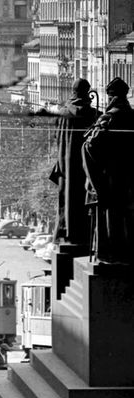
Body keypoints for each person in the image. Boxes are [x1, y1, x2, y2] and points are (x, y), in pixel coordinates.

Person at [81, 77, 134, 265]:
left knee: (109, 220)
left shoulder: (108, 118)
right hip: (129, 180)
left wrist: (96, 180)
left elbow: (88, 147)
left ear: (110, 97)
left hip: (110, 179)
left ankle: (108, 255)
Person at [49, 78, 100, 247]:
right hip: (83, 167)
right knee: (81, 202)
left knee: (66, 200)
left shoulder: (62, 112)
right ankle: (81, 237)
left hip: (65, 167)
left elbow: (56, 137)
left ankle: (64, 235)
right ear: (87, 92)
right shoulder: (91, 114)